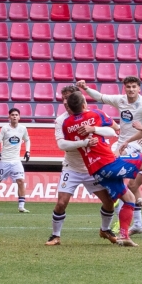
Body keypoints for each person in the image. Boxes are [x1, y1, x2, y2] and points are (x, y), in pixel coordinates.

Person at [62, 92, 142, 247]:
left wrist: (90, 131)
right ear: (84, 103)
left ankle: (124, 236)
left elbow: (67, 143)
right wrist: (94, 128)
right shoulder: (95, 114)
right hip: (109, 163)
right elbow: (114, 130)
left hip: (95, 171)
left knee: (129, 199)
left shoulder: (66, 124)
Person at [46, 85, 120, 246]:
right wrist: (84, 142)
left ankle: (105, 229)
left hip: (92, 168)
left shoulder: (94, 114)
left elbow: (114, 128)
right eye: (63, 98)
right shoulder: (62, 121)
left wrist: (96, 130)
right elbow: (62, 145)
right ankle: (55, 236)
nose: (66, 101)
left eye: (69, 97)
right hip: (72, 167)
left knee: (108, 201)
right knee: (61, 203)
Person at [77, 76, 142, 233]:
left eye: (133, 87)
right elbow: (101, 97)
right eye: (128, 86)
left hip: (136, 145)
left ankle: (127, 214)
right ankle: (136, 222)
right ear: (124, 88)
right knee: (125, 184)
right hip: (120, 143)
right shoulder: (121, 100)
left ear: (139, 89)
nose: (130, 89)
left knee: (121, 181)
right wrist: (86, 88)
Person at [0, 108, 31, 213]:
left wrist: (27, 151)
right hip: (4, 161)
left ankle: (21, 206)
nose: (14, 116)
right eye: (12, 115)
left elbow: (27, 140)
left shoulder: (23, 128)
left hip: (16, 161)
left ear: (19, 117)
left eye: (16, 115)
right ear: (9, 117)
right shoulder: (5, 129)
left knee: (21, 181)